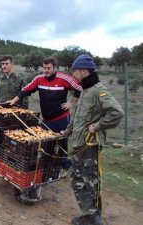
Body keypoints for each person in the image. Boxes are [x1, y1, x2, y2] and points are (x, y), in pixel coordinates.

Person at [63, 54, 124, 225]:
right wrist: (67, 131)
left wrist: (97, 126)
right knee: (76, 179)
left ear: (84, 71)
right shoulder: (85, 90)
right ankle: (88, 215)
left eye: (75, 71)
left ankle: (96, 220)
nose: (74, 74)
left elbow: (117, 113)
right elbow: (78, 116)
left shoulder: (98, 90)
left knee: (91, 183)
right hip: (78, 145)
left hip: (90, 146)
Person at [7, 57, 82, 175]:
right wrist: (14, 100)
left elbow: (79, 87)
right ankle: (47, 167)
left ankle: (65, 166)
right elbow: (26, 89)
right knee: (45, 143)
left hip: (61, 118)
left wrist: (71, 103)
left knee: (61, 143)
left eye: (49, 68)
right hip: (47, 119)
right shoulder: (39, 79)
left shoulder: (64, 78)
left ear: (55, 68)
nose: (46, 70)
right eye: (44, 68)